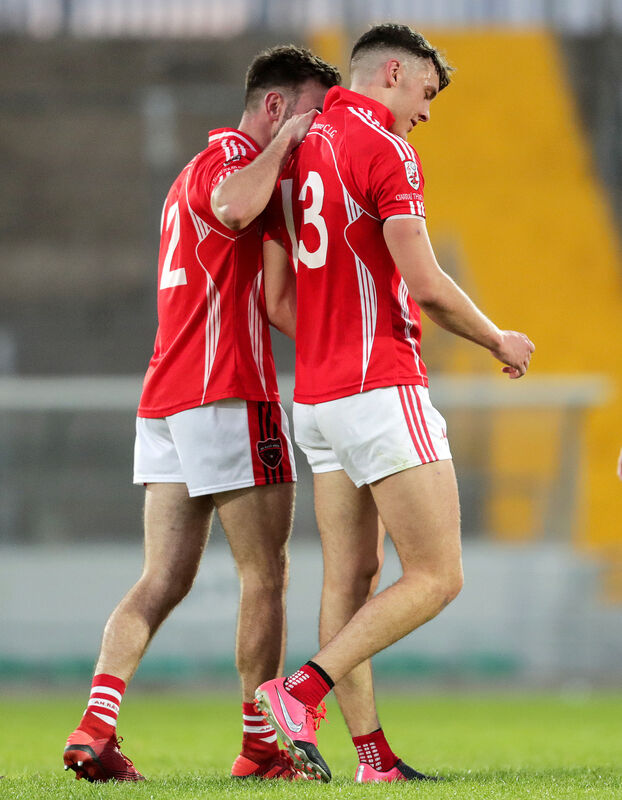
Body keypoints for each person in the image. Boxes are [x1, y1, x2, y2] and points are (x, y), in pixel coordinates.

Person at [258, 23, 535, 783]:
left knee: (348, 581)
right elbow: (426, 284)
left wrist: (327, 337)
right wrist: (496, 339)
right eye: (426, 91)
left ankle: (373, 759)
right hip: (379, 388)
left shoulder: (296, 149)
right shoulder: (384, 150)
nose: (427, 110)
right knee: (438, 575)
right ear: (391, 73)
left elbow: (276, 294)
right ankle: (300, 690)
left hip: (315, 398)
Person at [62, 45, 340, 783]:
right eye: (313, 111)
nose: (318, 129)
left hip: (165, 398)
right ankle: (260, 748)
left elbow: (275, 297)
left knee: (162, 579)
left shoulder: (194, 174)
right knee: (267, 574)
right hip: (225, 391)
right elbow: (236, 206)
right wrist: (286, 143)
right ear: (276, 106)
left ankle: (97, 724)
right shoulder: (229, 162)